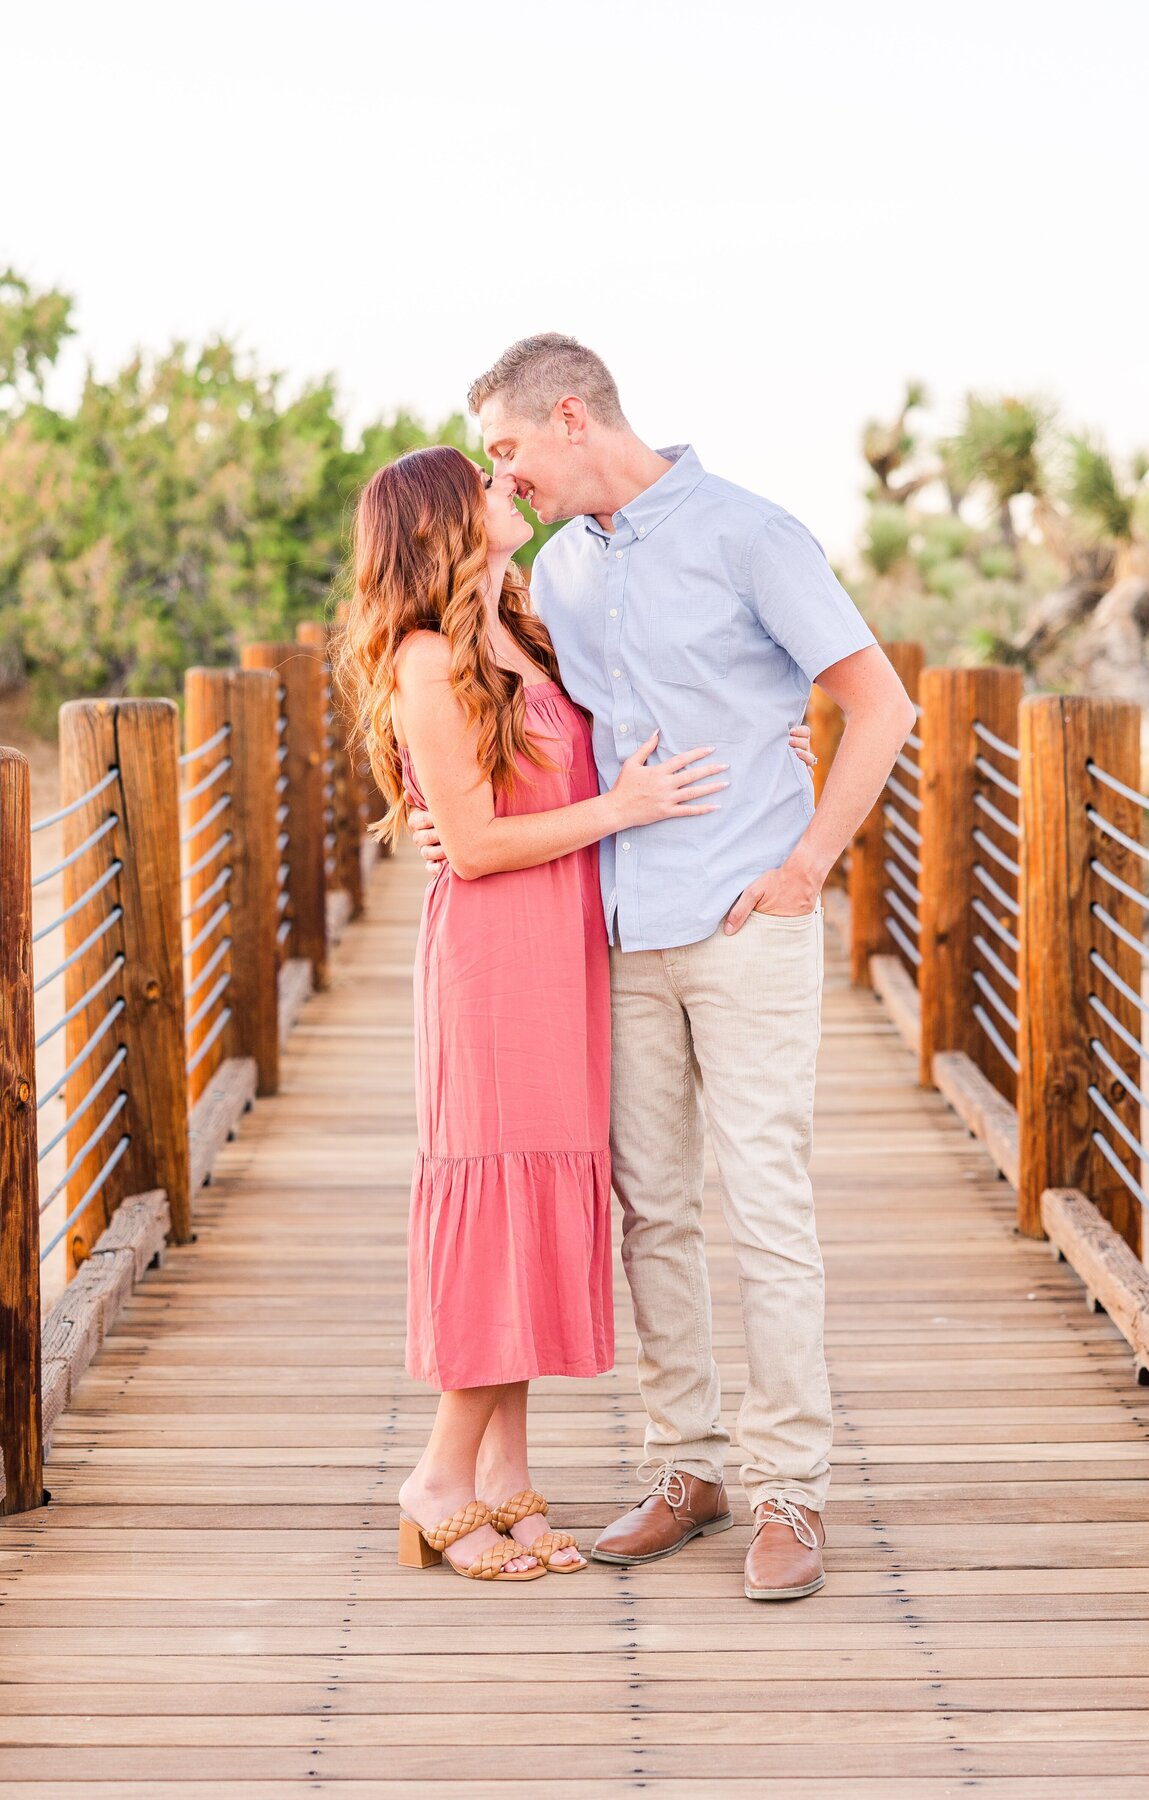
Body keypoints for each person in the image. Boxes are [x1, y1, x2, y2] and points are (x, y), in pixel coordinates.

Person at [408, 334, 917, 1601]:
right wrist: (421, 821)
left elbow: (881, 703)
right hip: (615, 938)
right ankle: (686, 1467)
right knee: (653, 1213)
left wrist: (808, 862)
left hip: (748, 922)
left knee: (768, 1205)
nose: (504, 480)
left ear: (571, 417)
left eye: (512, 451)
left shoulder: (751, 534)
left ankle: (790, 1485)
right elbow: (482, 716)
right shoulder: (558, 577)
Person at [333, 445, 734, 1583]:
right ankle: (438, 1478)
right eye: (485, 479)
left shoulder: (524, 630)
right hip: (495, 967)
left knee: (537, 1202)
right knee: (499, 1205)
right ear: (440, 521)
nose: (509, 486)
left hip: (564, 953)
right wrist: (622, 808)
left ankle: (506, 1481)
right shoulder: (421, 659)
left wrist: (770, 748)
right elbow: (471, 844)